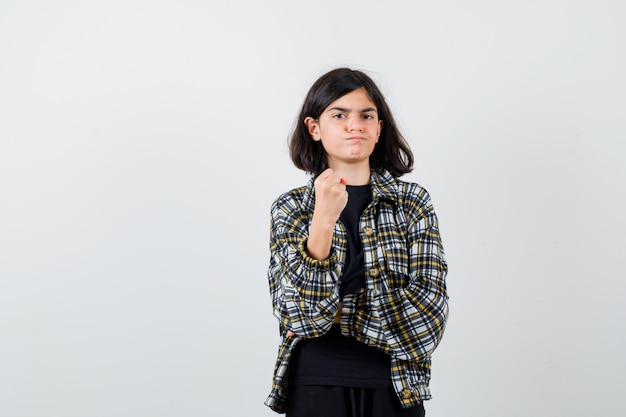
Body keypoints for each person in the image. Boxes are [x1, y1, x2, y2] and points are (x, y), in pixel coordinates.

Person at [265, 67, 449, 417]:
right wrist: (322, 220)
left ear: (379, 128)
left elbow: (428, 322)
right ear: (314, 128)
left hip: (395, 388)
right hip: (314, 387)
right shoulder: (291, 208)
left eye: (366, 115)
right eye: (339, 115)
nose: (355, 125)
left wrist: (340, 314)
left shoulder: (412, 203)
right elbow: (301, 318)